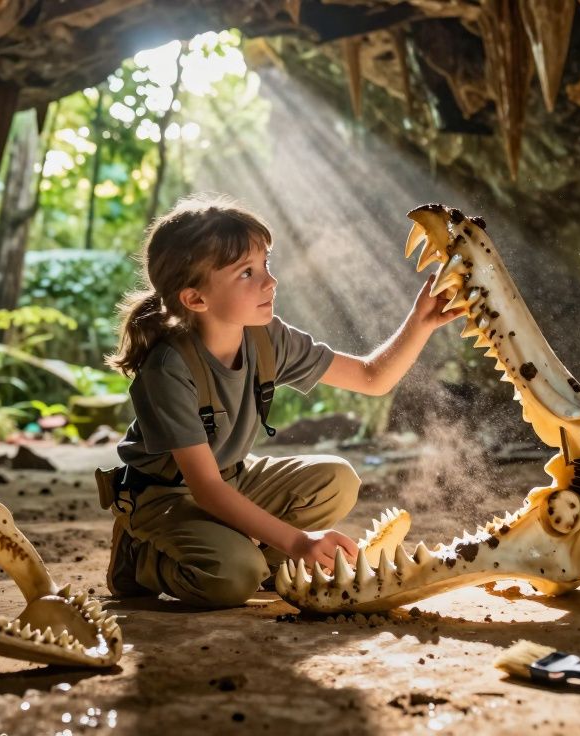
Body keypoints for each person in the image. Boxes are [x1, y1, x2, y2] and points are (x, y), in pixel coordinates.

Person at [103, 193, 464, 608]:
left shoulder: (268, 336)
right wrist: (299, 541)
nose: (269, 282)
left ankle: (264, 559)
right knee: (233, 578)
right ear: (195, 299)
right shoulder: (168, 368)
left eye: (265, 265)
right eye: (246, 273)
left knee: (336, 481)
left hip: (233, 477)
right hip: (164, 496)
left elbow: (372, 377)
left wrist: (420, 323)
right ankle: (141, 559)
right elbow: (205, 489)